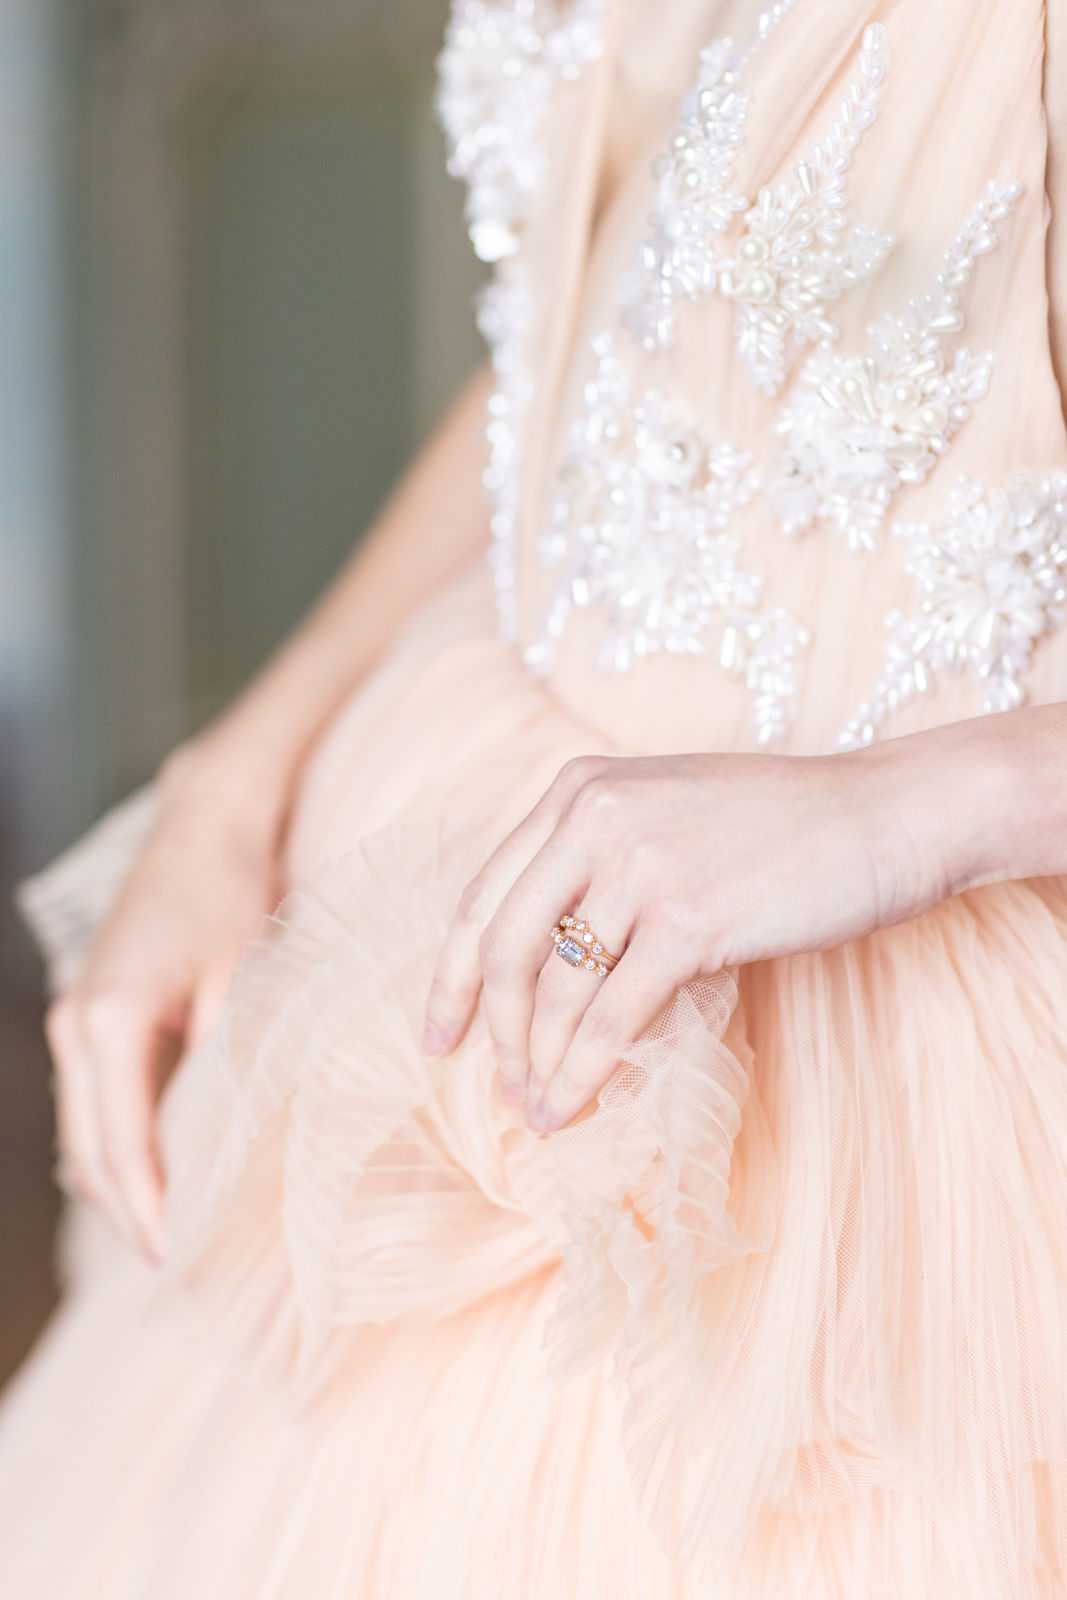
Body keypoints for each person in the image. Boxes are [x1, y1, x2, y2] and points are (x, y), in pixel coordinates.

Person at [2, 0, 1066, 1592]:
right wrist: (233, 783)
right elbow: (597, 344)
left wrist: (906, 811)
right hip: (478, 907)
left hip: (916, 1127)